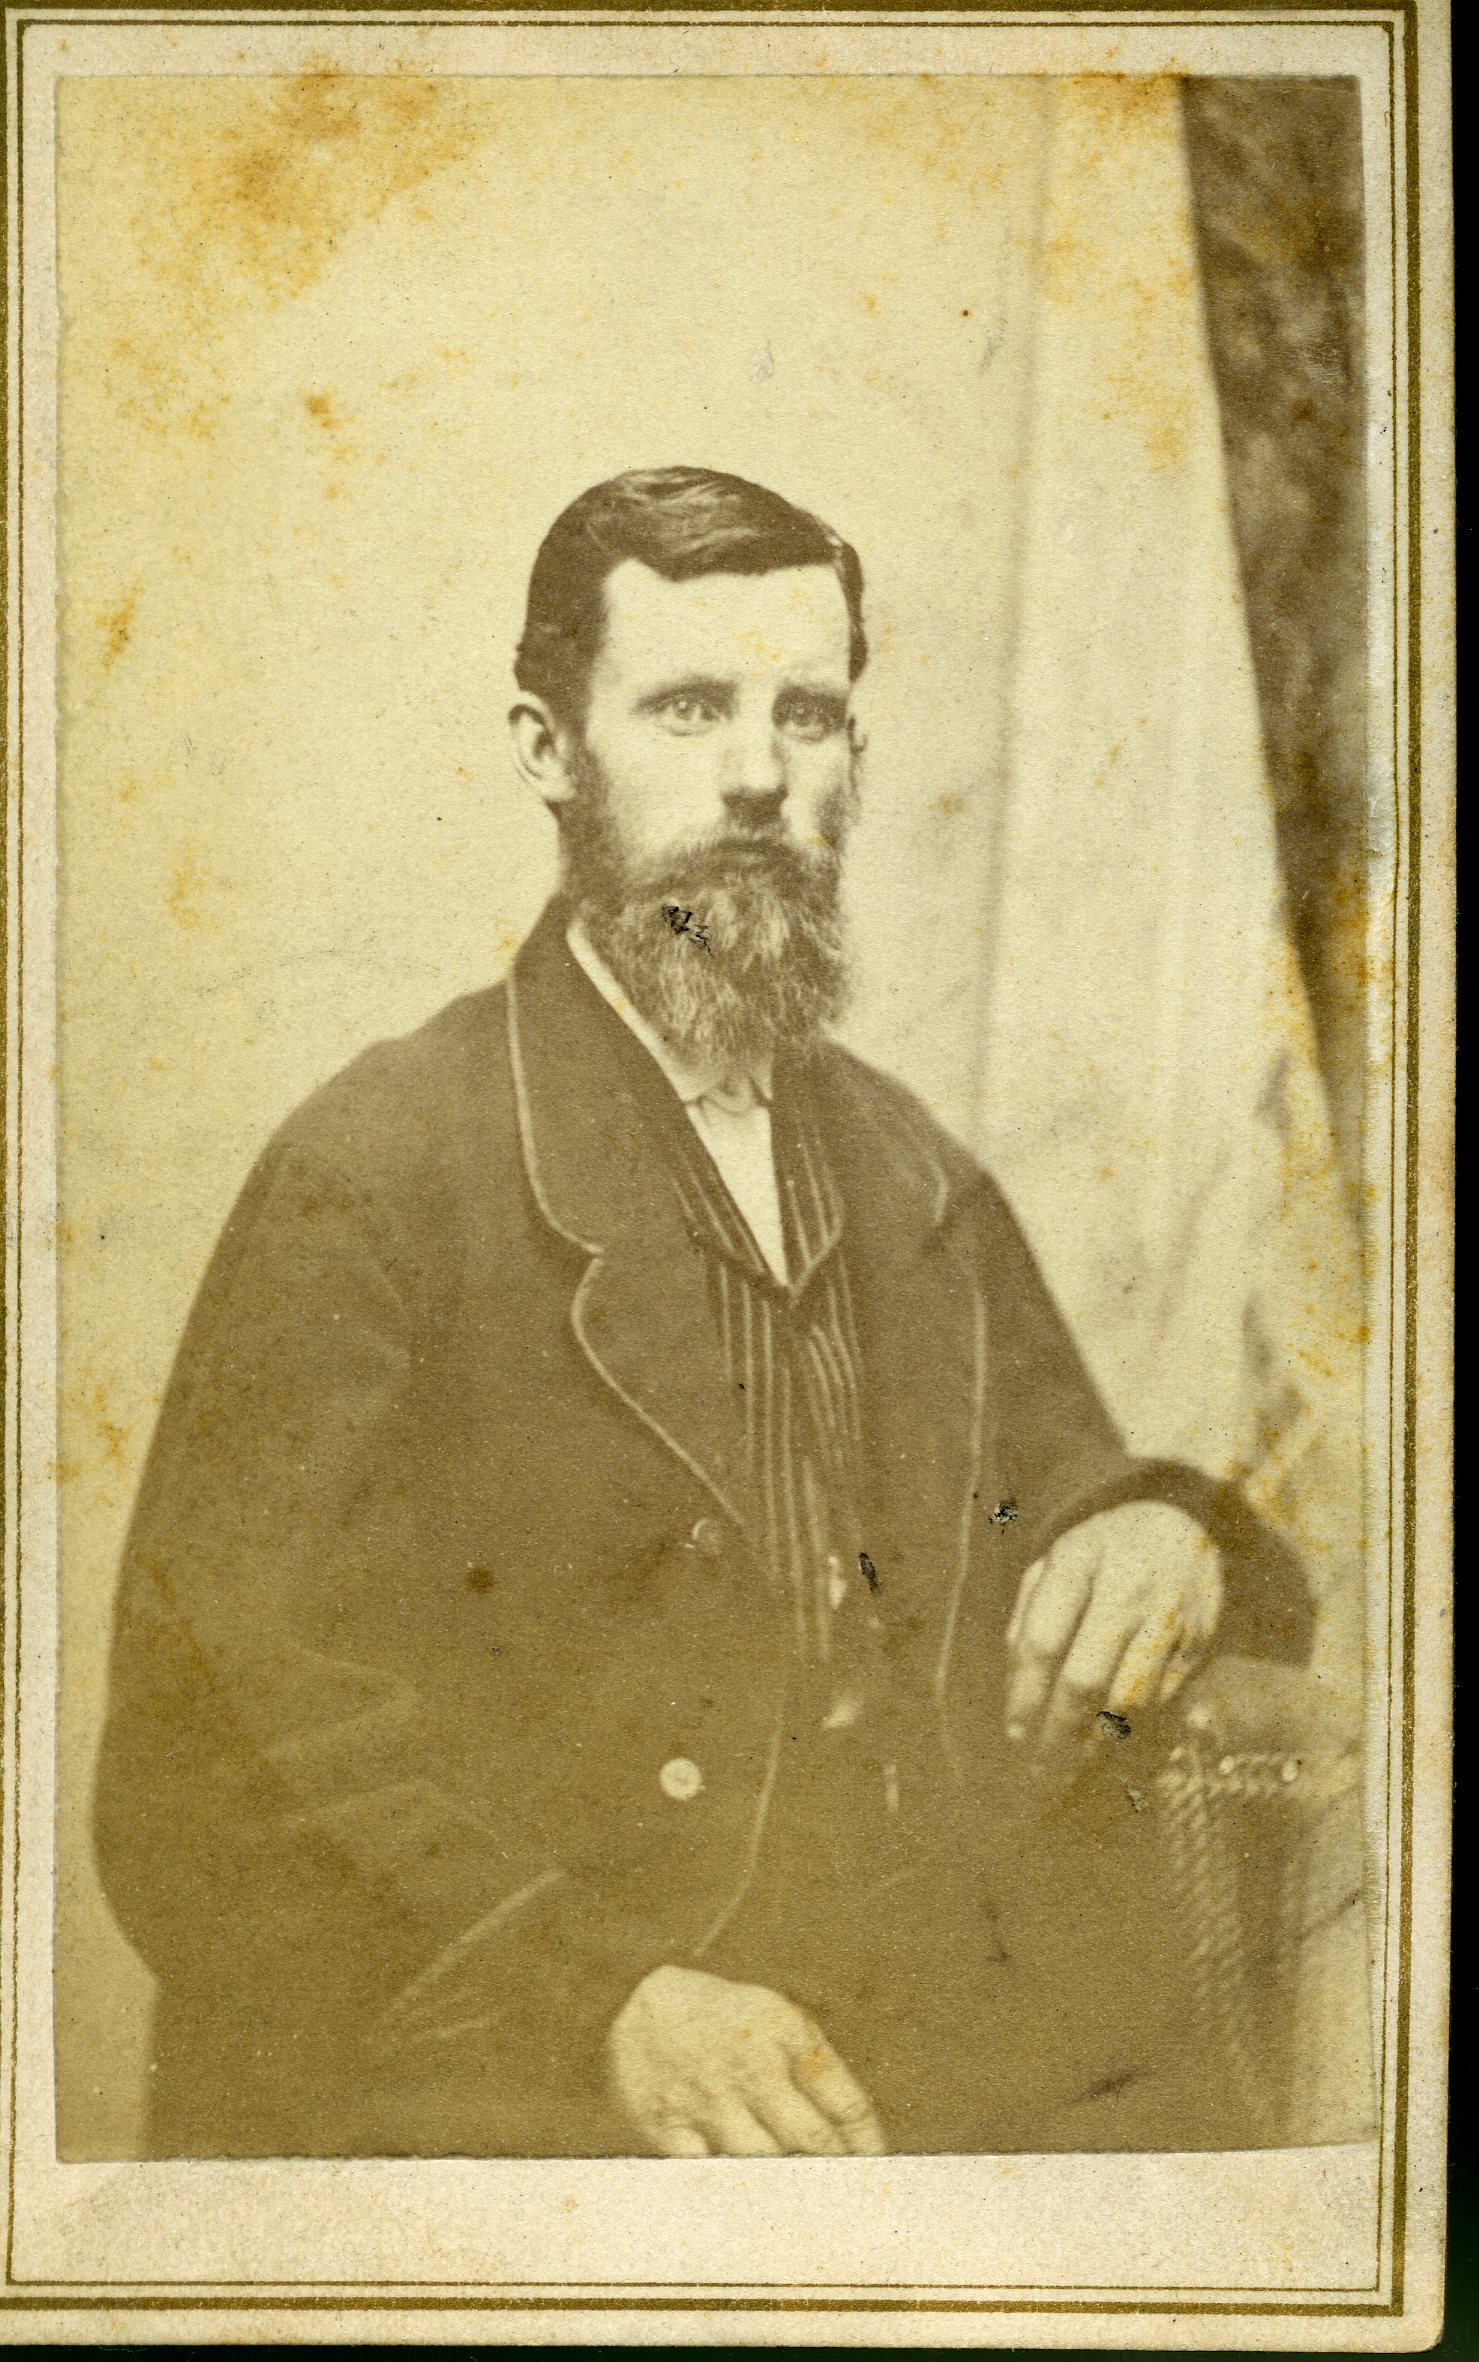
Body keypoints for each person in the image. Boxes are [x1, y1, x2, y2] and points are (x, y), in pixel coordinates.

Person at [95, 466, 1311, 2159]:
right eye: (687, 708)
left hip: (896, 2074)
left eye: (805, 715)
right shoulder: (374, 1171)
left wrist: (1161, 1527)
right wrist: (600, 2004)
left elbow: (1058, 1492)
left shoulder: (909, 1170)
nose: (757, 773)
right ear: (550, 752)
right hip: (513, 2102)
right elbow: (210, 1770)